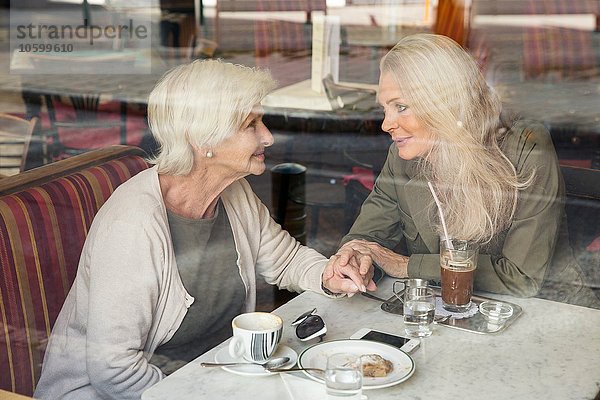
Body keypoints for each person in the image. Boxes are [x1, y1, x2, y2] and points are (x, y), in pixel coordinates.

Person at [34, 60, 375, 400]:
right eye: (250, 124)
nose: (268, 137)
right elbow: (115, 371)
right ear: (203, 140)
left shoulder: (234, 192)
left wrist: (329, 275)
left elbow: (285, 261)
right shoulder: (133, 225)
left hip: (212, 377)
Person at [337, 33, 599, 308]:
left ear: (443, 104)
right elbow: (368, 238)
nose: (386, 124)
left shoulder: (525, 148)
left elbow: (521, 279)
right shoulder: (403, 156)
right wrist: (353, 259)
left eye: (401, 107)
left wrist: (406, 266)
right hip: (451, 313)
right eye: (385, 109)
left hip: (549, 313)